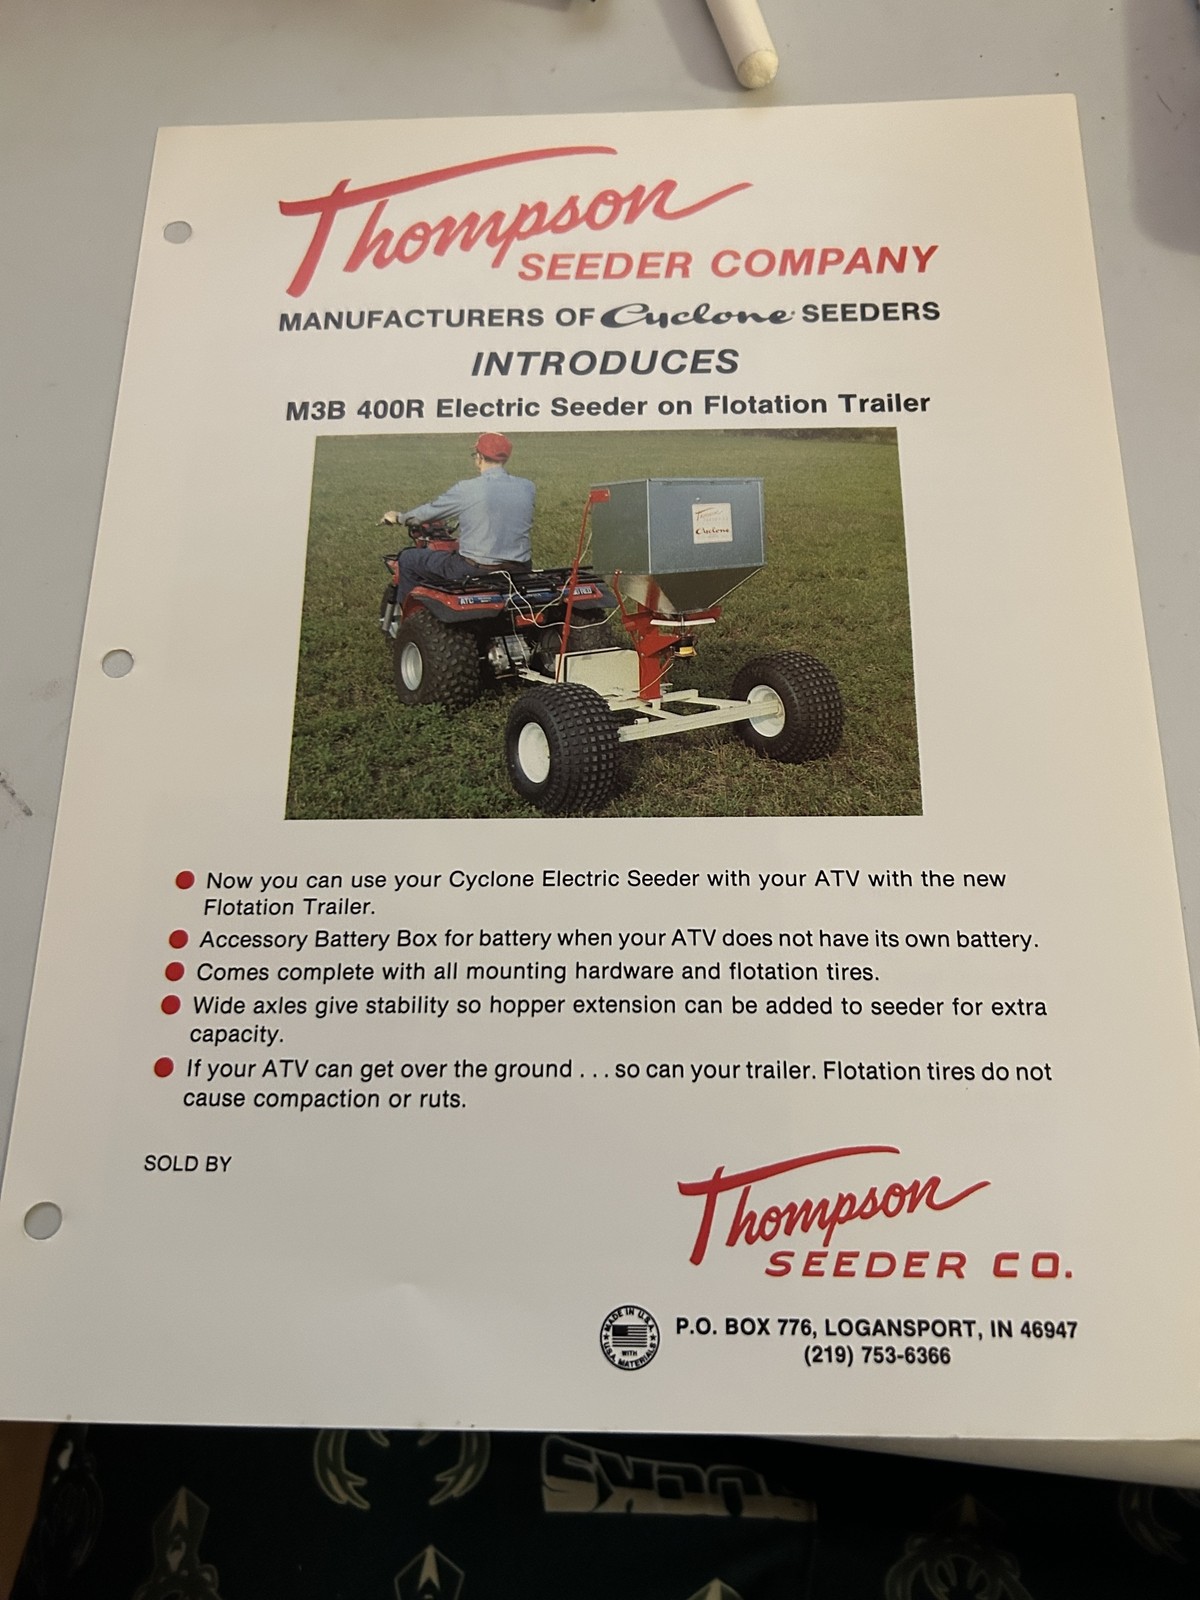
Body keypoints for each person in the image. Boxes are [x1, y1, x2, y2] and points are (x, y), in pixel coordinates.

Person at [381, 433, 534, 601]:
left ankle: (410, 613)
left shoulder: (467, 489)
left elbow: (429, 512)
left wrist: (399, 517)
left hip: (475, 569)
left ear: (479, 457)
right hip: (519, 569)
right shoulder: (527, 487)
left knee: (409, 558)